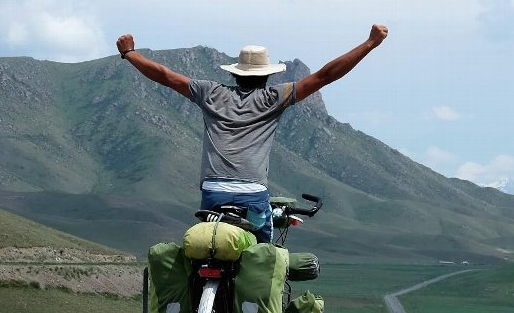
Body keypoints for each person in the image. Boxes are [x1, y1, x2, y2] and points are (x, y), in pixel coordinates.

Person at [116, 24, 389, 243]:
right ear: (267, 76)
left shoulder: (210, 92)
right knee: (263, 257)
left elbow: (165, 75)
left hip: (213, 193)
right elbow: (325, 76)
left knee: (209, 247)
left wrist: (130, 53)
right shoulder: (274, 97)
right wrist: (369, 44)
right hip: (252, 193)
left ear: (235, 74)